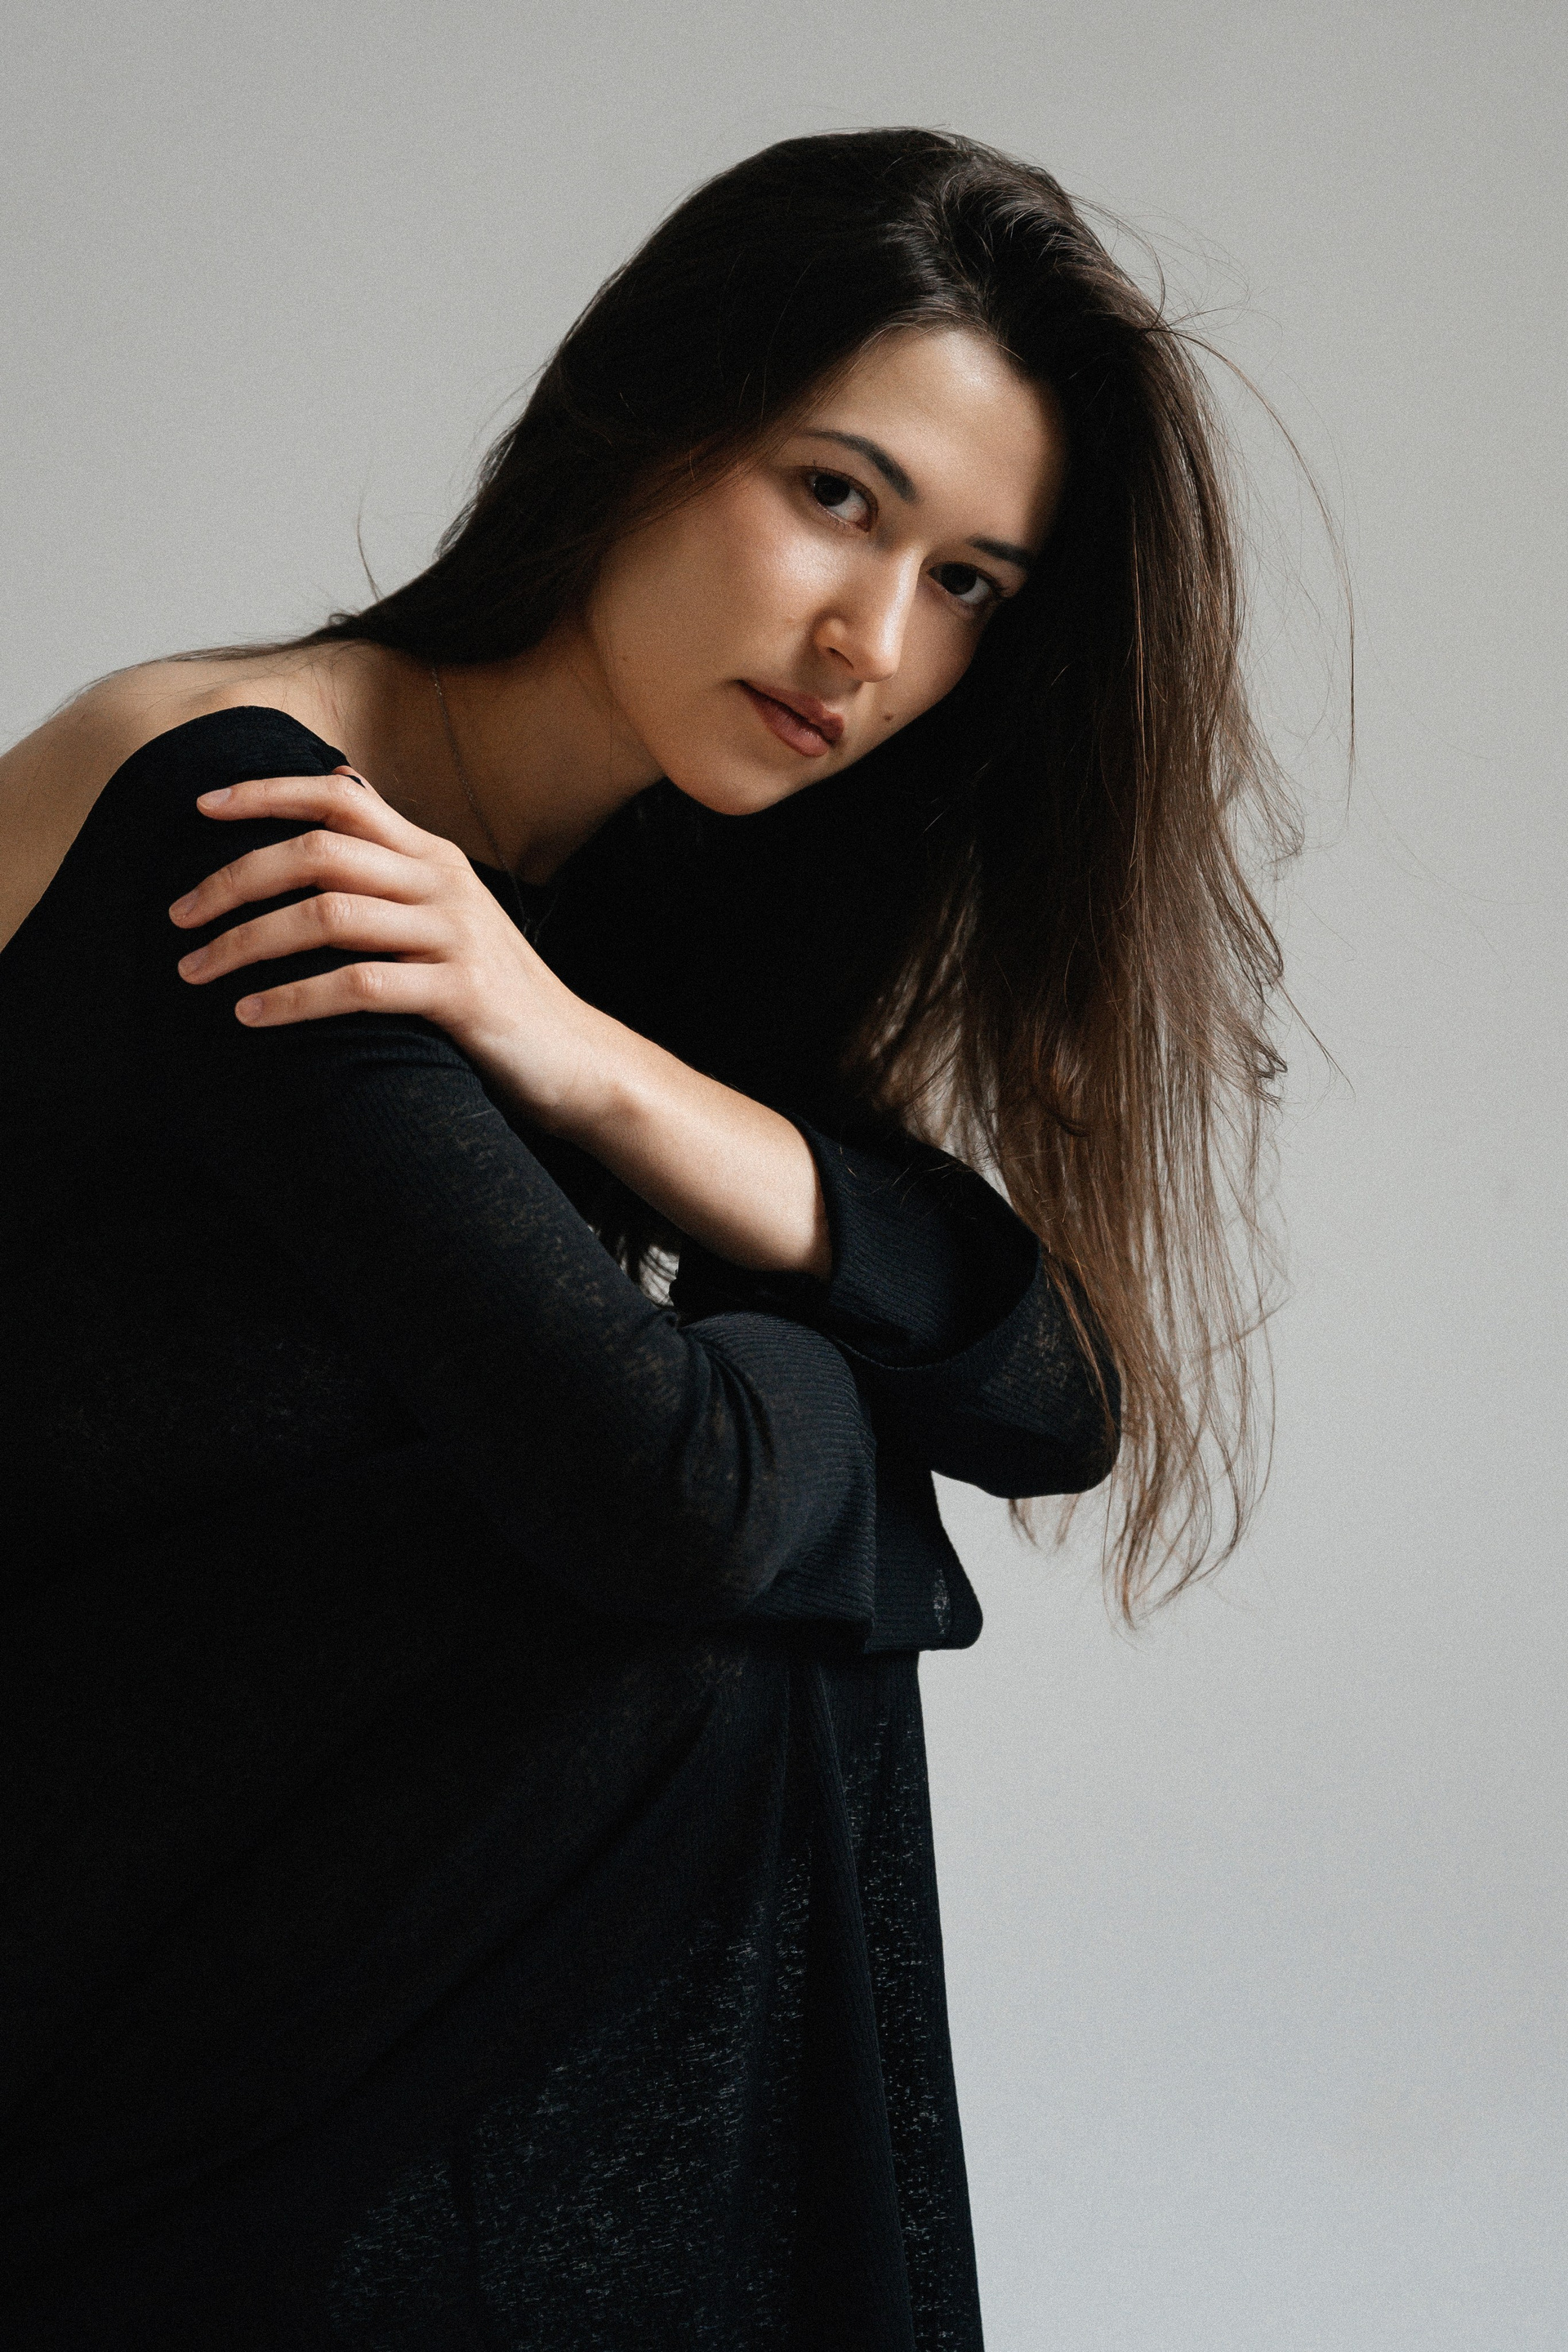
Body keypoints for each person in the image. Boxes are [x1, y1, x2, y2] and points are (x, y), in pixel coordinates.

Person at [0, 127, 1295, 2348]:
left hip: (253, 1952)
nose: (871, 640)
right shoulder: (253, 819)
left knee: (720, 1652)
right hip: (76, 1958)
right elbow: (673, 1496)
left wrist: (585, 1057)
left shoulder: (595, 912)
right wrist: (859, 1470)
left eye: (970, 584)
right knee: (707, 1657)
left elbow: (1053, 1387)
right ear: (644, 423)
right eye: (839, 495)